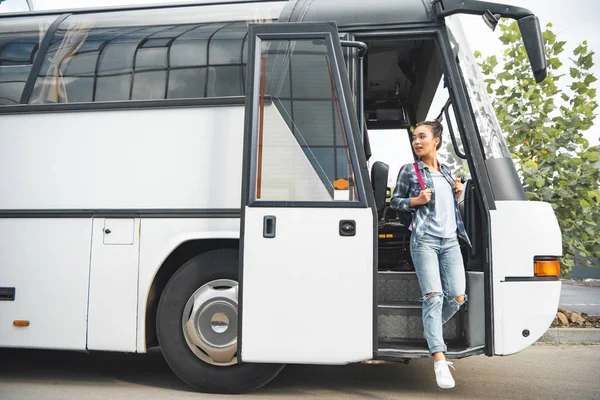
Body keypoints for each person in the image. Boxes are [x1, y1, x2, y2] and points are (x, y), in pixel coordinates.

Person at [390, 120, 471, 389]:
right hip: (423, 240)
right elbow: (394, 202)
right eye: (414, 137)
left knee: (457, 297)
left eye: (422, 136)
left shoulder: (448, 173)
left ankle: (429, 329)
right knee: (434, 297)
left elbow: (451, 209)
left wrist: (458, 193)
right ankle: (439, 357)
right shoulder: (410, 171)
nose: (416, 141)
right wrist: (416, 201)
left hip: (450, 243)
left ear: (436, 140)